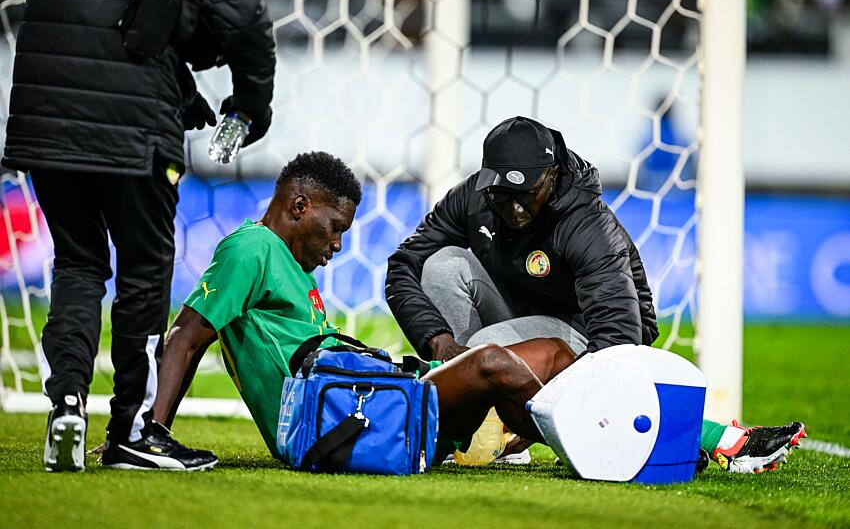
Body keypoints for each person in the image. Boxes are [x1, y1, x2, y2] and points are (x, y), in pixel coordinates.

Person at [385, 116, 806, 474]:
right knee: (441, 268)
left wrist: (584, 414)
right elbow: (402, 264)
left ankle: (493, 417)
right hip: (518, 316)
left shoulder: (587, 224)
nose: (514, 211)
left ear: (551, 175)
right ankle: (482, 416)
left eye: (526, 195)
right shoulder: (472, 198)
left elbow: (621, 333)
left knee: (481, 354)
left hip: (587, 334)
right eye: (502, 196)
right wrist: (439, 341)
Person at [136, 151, 580, 470]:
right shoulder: (251, 248)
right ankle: (585, 442)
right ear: (298, 206)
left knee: (555, 352)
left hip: (363, 401)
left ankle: (534, 434)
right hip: (333, 421)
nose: (336, 245)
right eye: (334, 229)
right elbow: (187, 335)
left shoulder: (288, 265)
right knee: (491, 363)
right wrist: (153, 434)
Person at [2, 0, 275, 472]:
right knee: (145, 271)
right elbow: (241, 8)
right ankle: (132, 433)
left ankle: (67, 406)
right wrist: (253, 105)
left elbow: (112, 7)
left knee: (79, 261)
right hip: (133, 121)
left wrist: (181, 88)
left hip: (44, 103)